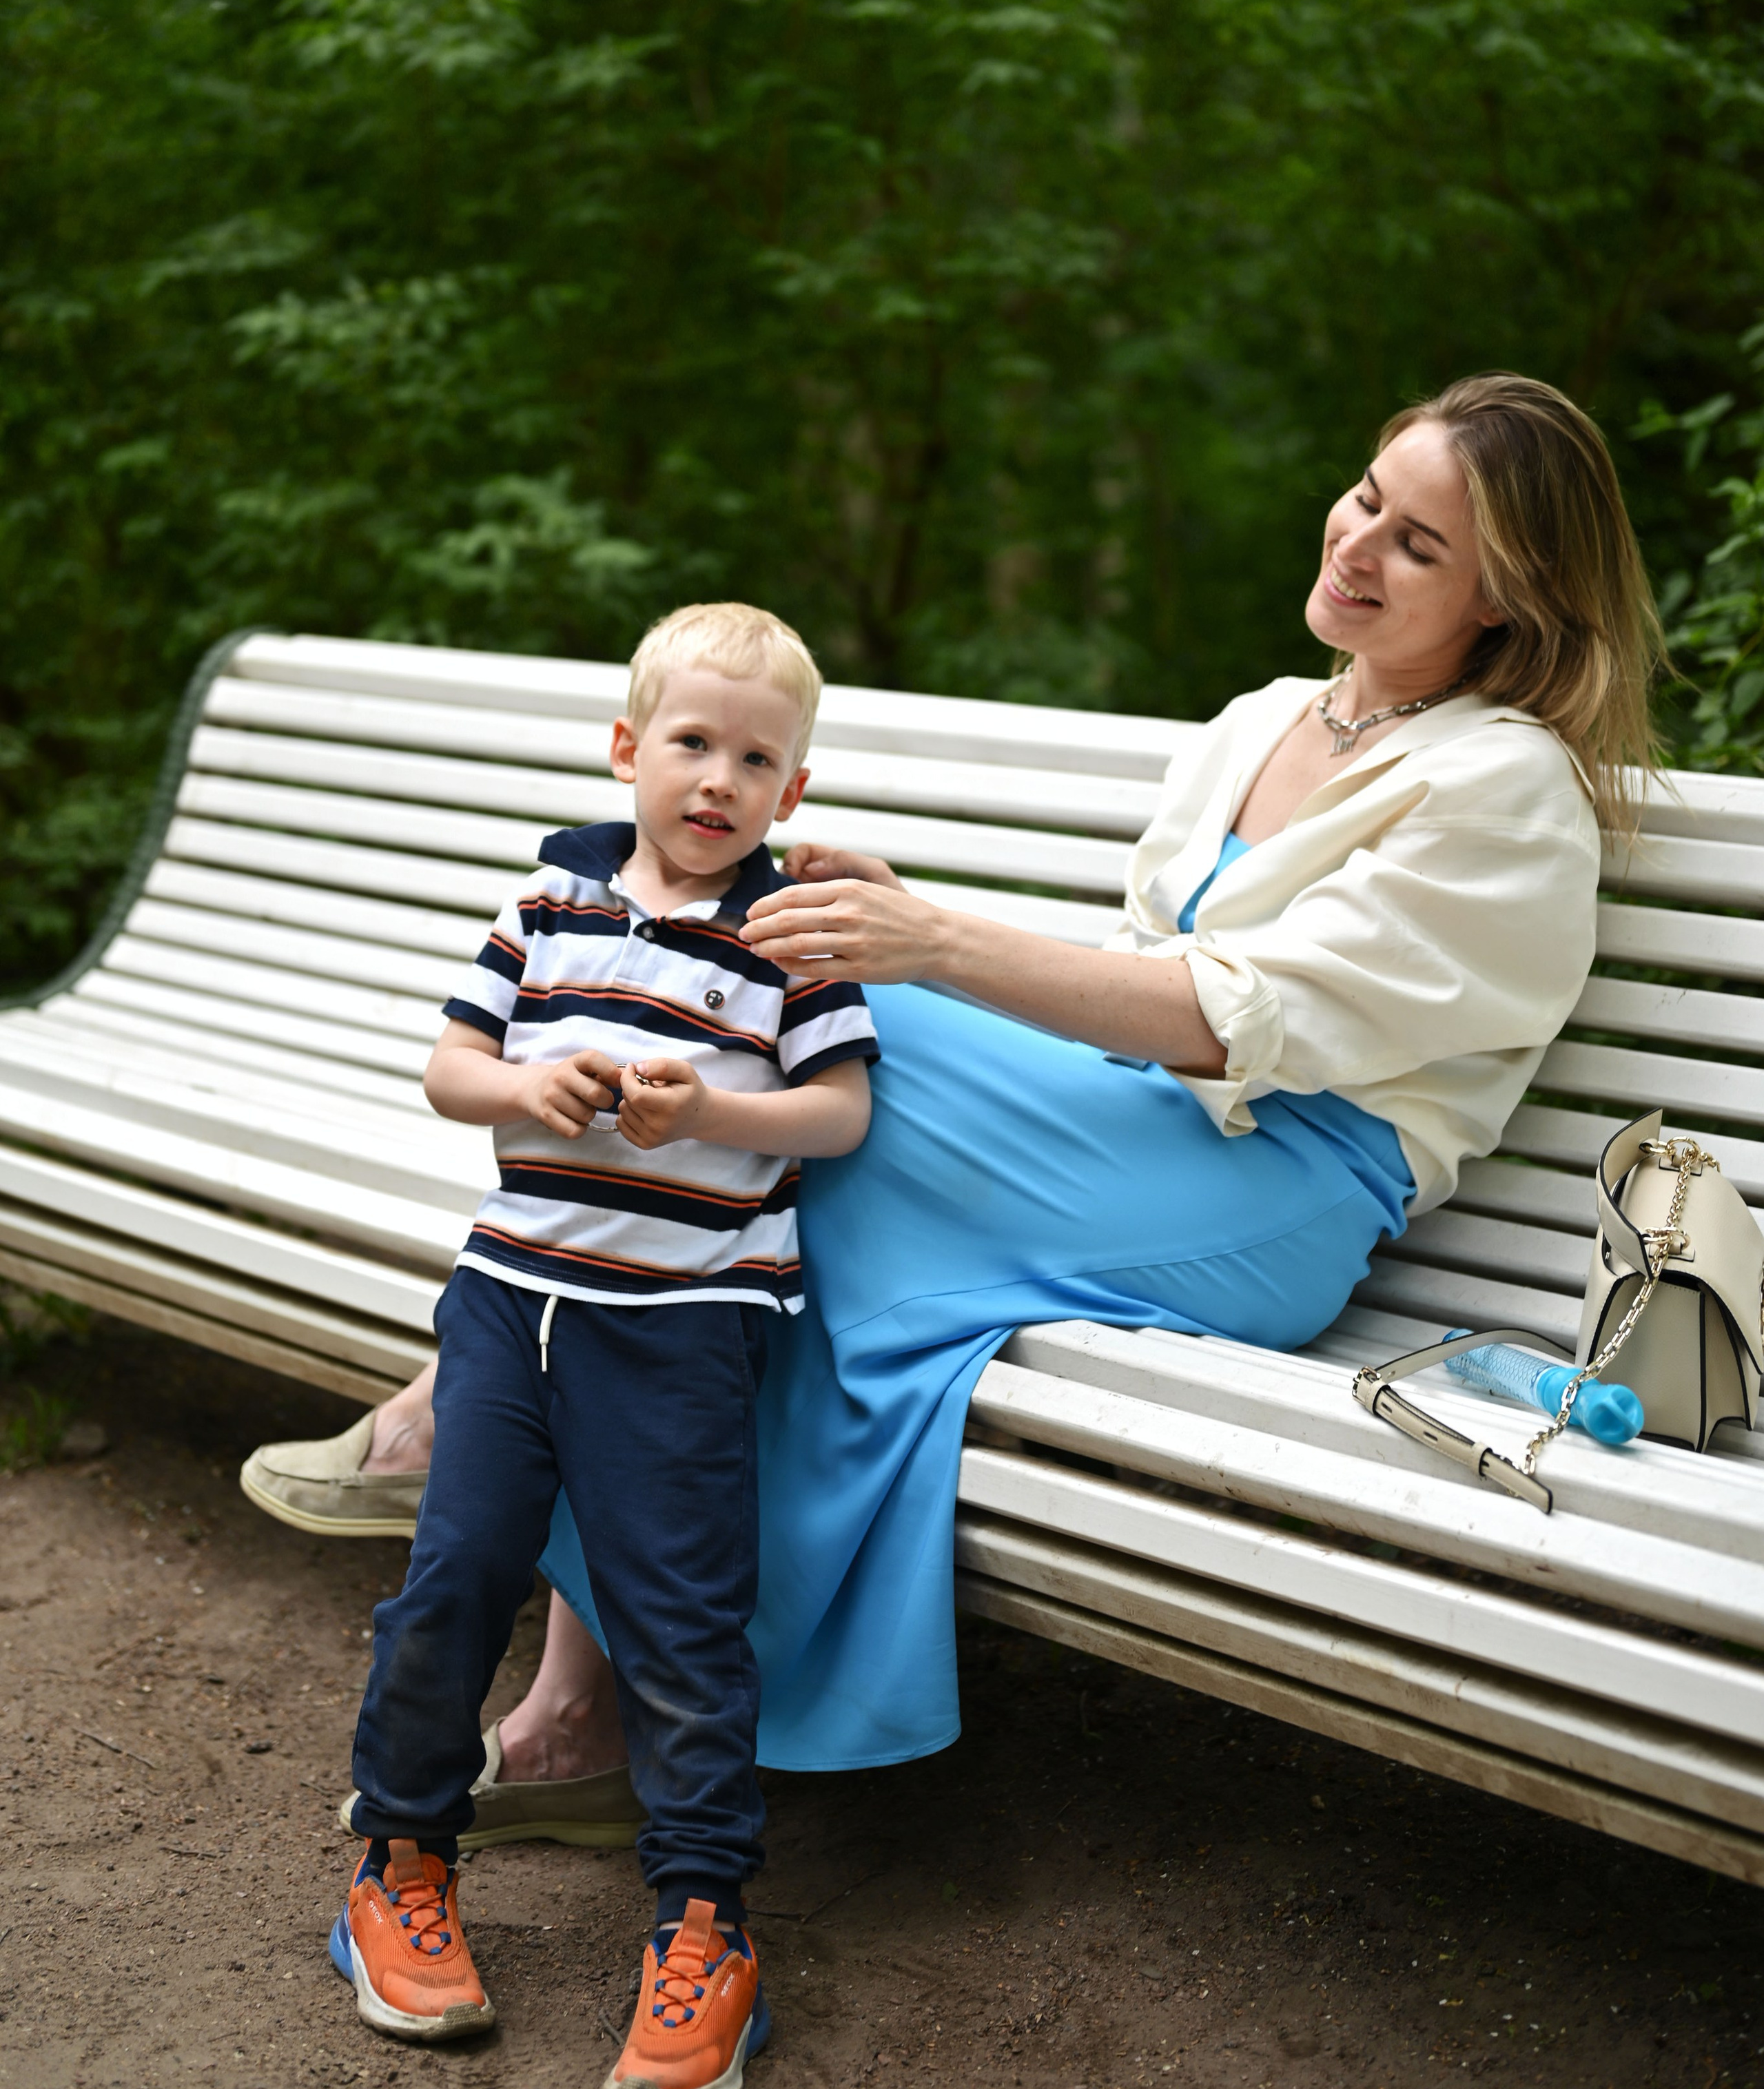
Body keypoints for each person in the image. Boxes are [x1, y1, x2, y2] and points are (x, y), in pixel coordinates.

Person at [247, 375, 1658, 1808]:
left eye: (1418, 545)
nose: (1356, 545)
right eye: (1364, 498)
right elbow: (1134, 978)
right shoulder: (1271, 717)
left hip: (1276, 1186)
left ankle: (477, 1408)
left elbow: (1231, 1021)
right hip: (1131, 1122)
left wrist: (929, 942)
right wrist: (907, 927)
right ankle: (572, 1701)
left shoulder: (1505, 787)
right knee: (785, 1045)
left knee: (825, 1027)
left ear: (1504, 600)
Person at [325, 601, 878, 2089]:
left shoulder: (786, 940)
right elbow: (452, 1068)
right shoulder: (548, 906)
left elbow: (838, 1114)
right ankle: (400, 1860)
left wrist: (713, 1113)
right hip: (510, 1302)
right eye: (692, 743)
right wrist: (526, 1082)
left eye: (755, 760)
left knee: (683, 1619)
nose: (718, 779)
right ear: (630, 751)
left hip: (686, 1325)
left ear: (791, 790)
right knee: (456, 1575)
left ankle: (704, 1922)